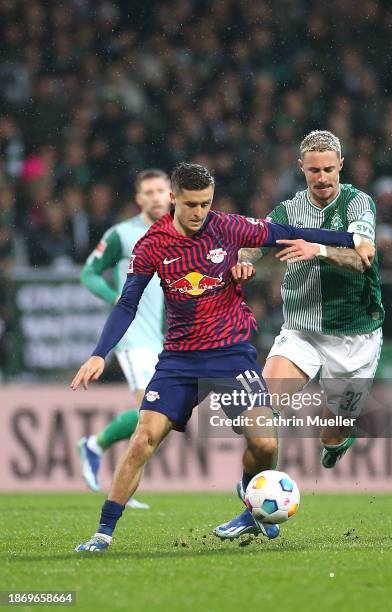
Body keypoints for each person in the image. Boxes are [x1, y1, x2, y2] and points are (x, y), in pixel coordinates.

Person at [70, 162, 370, 552]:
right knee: (143, 440)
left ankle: (249, 496)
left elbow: (287, 232)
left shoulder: (227, 226)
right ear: (173, 199)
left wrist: (350, 237)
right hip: (179, 360)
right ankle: (103, 533)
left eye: (205, 204)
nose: (199, 213)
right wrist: (99, 354)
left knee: (264, 444)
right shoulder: (152, 244)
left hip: (231, 355)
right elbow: (127, 304)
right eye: (191, 205)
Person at [216, 130, 382, 538]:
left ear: (340, 166)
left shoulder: (359, 203)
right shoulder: (289, 209)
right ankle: (253, 510)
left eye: (329, 169)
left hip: (355, 338)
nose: (322, 178)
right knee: (262, 412)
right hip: (301, 333)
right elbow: (254, 241)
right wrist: (244, 260)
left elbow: (363, 257)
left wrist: (318, 249)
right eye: (314, 171)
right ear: (301, 169)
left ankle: (337, 441)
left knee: (334, 428)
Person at [77, 169, 171, 509]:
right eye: (150, 192)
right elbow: (88, 272)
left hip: (167, 340)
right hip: (133, 337)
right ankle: (99, 450)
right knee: (152, 411)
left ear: (171, 194)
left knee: (163, 418)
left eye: (161, 190)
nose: (157, 197)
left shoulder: (179, 232)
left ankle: (98, 451)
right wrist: (113, 295)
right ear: (139, 198)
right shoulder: (123, 234)